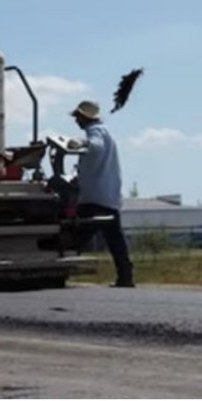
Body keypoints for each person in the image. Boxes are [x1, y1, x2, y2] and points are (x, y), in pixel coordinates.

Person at [67, 100, 135, 288]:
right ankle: (126, 276)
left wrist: (81, 142)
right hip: (109, 196)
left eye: (77, 117)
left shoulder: (95, 131)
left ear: (84, 117)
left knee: (77, 236)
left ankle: (59, 269)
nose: (76, 121)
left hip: (93, 197)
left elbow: (95, 147)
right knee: (115, 240)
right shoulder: (106, 131)